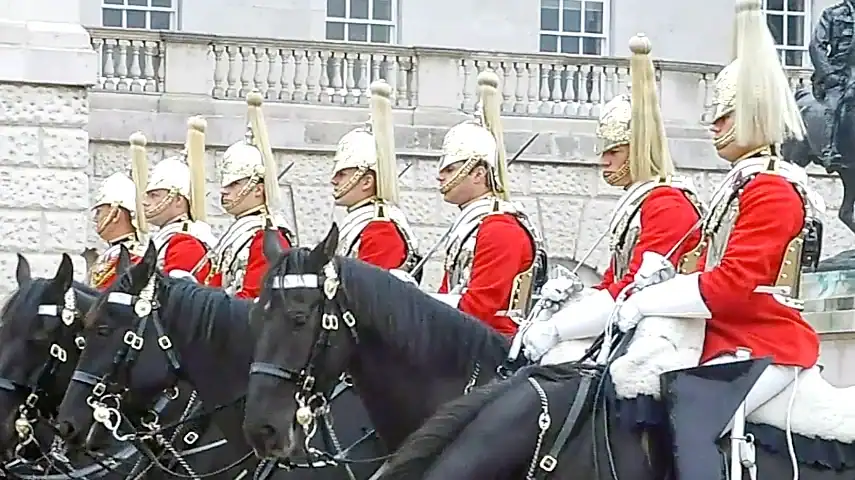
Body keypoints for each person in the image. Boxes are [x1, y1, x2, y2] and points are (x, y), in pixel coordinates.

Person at [616, 0, 822, 440]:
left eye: (724, 115)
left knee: (691, 426)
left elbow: (733, 286)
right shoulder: (741, 185)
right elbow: (700, 267)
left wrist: (645, 302)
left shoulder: (771, 188)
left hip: (764, 342)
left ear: (753, 114)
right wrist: (658, 280)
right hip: (725, 337)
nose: (713, 125)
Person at [519, 34, 705, 364]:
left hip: (658, 337)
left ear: (639, 148)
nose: (605, 161)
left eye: (614, 152)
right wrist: (573, 302)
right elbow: (613, 283)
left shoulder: (667, 204)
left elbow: (638, 289)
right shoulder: (642, 203)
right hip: (630, 326)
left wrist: (560, 329)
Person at [430, 71, 544, 337]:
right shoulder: (472, 224)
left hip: (491, 345)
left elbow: (480, 306)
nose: (440, 175)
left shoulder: (499, 227)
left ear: (479, 174)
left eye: (450, 169)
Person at [204, 91, 294, 298]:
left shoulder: (267, 237)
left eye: (234, 184)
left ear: (258, 189)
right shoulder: (240, 231)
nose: (224, 190)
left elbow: (256, 298)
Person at [330, 80, 421, 276]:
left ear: (366, 182)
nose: (334, 180)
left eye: (342, 174)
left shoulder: (380, 228)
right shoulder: (359, 221)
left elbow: (372, 297)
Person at [142, 115, 216, 282]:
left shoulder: (185, 243)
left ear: (178, 200)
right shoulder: (166, 238)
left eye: (154, 195)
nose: (146, 202)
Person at [88, 132, 148, 290]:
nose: (96, 219)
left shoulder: (133, 257)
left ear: (115, 215)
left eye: (100, 211)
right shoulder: (111, 255)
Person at [809, 0, 855, 170]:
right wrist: (828, 74)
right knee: (835, 104)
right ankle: (830, 149)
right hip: (838, 71)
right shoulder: (832, 14)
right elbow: (816, 46)